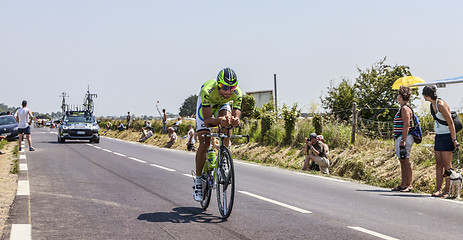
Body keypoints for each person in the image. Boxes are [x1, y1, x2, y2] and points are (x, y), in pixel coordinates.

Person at [193, 67, 243, 202]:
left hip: (223, 105)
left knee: (228, 125)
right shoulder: (207, 90)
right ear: (218, 84)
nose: (228, 91)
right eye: (224, 87)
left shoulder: (237, 93)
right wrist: (219, 121)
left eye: (232, 88)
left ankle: (224, 158)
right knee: (205, 141)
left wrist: (233, 121)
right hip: (207, 104)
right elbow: (208, 121)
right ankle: (198, 180)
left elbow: (236, 118)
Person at [422, 85, 460, 198]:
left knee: (447, 165)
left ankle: (447, 190)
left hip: (447, 136)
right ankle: (438, 189)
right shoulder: (432, 105)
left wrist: (454, 140)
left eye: (424, 95)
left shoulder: (441, 105)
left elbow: (450, 123)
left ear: (427, 95)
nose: (423, 97)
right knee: (438, 164)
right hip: (438, 136)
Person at [391, 85, 414, 192]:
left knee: (406, 160)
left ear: (400, 95)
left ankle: (408, 185)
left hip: (404, 137)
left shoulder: (405, 108)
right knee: (402, 160)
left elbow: (406, 125)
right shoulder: (403, 108)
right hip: (400, 137)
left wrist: (403, 141)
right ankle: (403, 184)